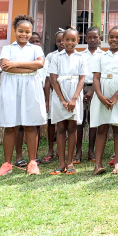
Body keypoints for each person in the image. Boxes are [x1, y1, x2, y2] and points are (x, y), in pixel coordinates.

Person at [0, 14, 46, 176]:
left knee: (30, 125)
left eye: (27, 32)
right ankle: (7, 163)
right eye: (20, 31)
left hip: (30, 87)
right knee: (11, 125)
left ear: (32, 32)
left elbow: (40, 64)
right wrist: (29, 68)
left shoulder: (36, 49)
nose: (24, 34)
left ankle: (32, 162)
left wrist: (15, 64)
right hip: (11, 87)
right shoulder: (7, 48)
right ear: (14, 30)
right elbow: (5, 66)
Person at [90, 27, 118, 175]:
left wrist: (115, 96)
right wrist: (100, 96)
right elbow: (96, 77)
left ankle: (117, 162)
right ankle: (98, 164)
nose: (114, 40)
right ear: (106, 38)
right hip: (102, 94)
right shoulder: (100, 56)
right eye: (111, 37)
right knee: (102, 128)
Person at [48, 28, 87, 176]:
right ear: (62, 41)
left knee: (72, 127)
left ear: (78, 41)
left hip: (74, 94)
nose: (70, 43)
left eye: (73, 40)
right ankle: (61, 163)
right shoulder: (56, 58)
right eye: (67, 40)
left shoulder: (81, 57)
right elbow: (53, 79)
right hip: (59, 95)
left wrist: (74, 98)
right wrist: (63, 100)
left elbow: (82, 78)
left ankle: (70, 162)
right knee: (60, 128)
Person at [77, 27, 103, 164]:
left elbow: (102, 75)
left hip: (96, 89)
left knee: (93, 122)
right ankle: (78, 150)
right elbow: (78, 74)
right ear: (85, 38)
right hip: (81, 88)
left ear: (100, 38)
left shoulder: (103, 55)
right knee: (80, 122)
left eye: (95, 37)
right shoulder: (80, 55)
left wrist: (93, 90)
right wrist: (82, 91)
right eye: (90, 37)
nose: (92, 40)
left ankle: (91, 150)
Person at [41, 30, 64, 165]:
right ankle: (50, 149)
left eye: (63, 40)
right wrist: (47, 98)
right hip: (54, 93)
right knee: (51, 122)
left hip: (67, 92)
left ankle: (61, 150)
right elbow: (48, 78)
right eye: (58, 41)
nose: (61, 43)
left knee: (65, 123)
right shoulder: (51, 56)